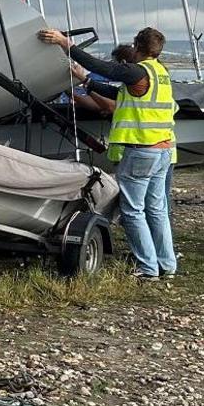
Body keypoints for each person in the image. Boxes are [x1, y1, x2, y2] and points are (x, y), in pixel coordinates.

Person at [41, 26, 178, 280]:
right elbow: (119, 94)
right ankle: (166, 265)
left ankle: (148, 269)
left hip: (142, 151)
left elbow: (104, 67)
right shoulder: (161, 74)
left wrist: (65, 44)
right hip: (163, 151)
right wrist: (86, 81)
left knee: (133, 211)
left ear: (137, 47)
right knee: (156, 209)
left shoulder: (137, 70)